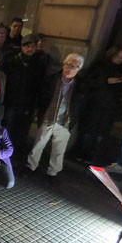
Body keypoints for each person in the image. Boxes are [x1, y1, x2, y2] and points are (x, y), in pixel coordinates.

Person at [24, 53, 84, 184]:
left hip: (65, 121)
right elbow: (40, 97)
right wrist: (36, 113)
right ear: (63, 64)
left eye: (75, 67)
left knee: (59, 149)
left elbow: (80, 105)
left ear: (79, 69)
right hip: (48, 117)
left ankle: (53, 172)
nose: (70, 69)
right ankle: (30, 167)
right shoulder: (51, 79)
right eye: (69, 65)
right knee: (38, 144)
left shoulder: (81, 85)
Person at [76, 45, 122, 163]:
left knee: (101, 132)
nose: (120, 59)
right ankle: (82, 153)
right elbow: (88, 82)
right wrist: (105, 81)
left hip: (109, 107)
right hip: (95, 103)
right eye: (118, 56)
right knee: (88, 129)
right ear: (112, 54)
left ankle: (93, 154)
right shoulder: (101, 65)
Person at [3, 34, 46, 153]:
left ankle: (16, 153)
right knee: (7, 128)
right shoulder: (11, 63)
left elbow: (40, 87)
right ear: (22, 47)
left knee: (22, 130)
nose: (29, 49)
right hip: (11, 103)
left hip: (28, 105)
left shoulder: (39, 65)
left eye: (32, 47)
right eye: (27, 46)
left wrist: (36, 107)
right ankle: (4, 152)